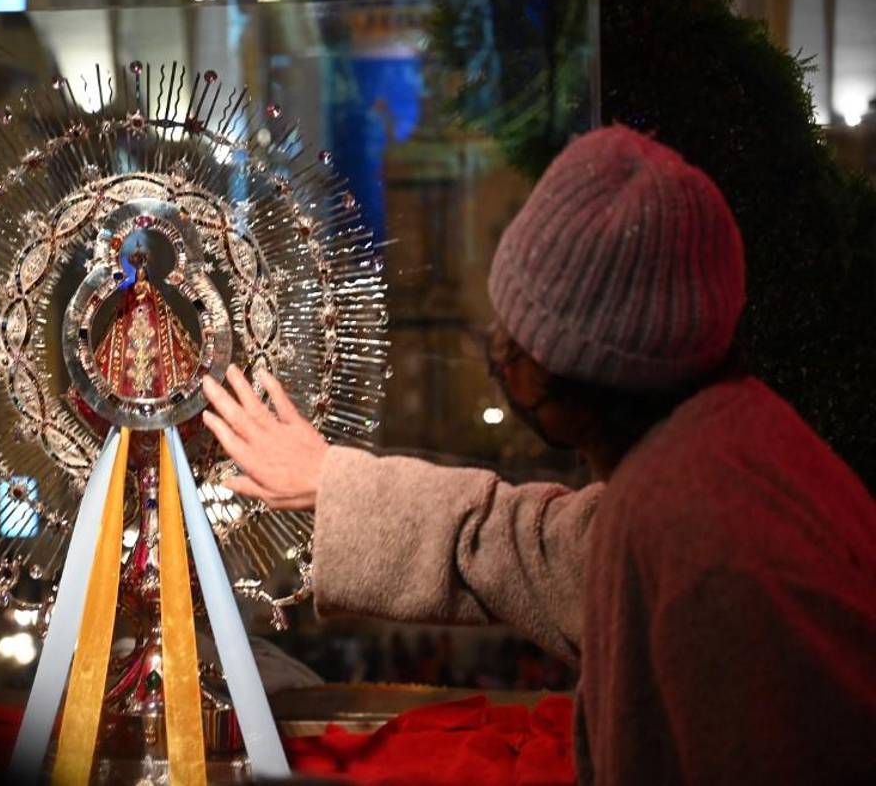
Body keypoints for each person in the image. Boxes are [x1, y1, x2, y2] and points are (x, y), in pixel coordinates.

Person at [200, 126, 876, 785]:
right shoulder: (732, 447)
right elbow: (530, 544)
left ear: (553, 368)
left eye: (514, 335)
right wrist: (334, 482)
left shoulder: (698, 544)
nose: (499, 351)